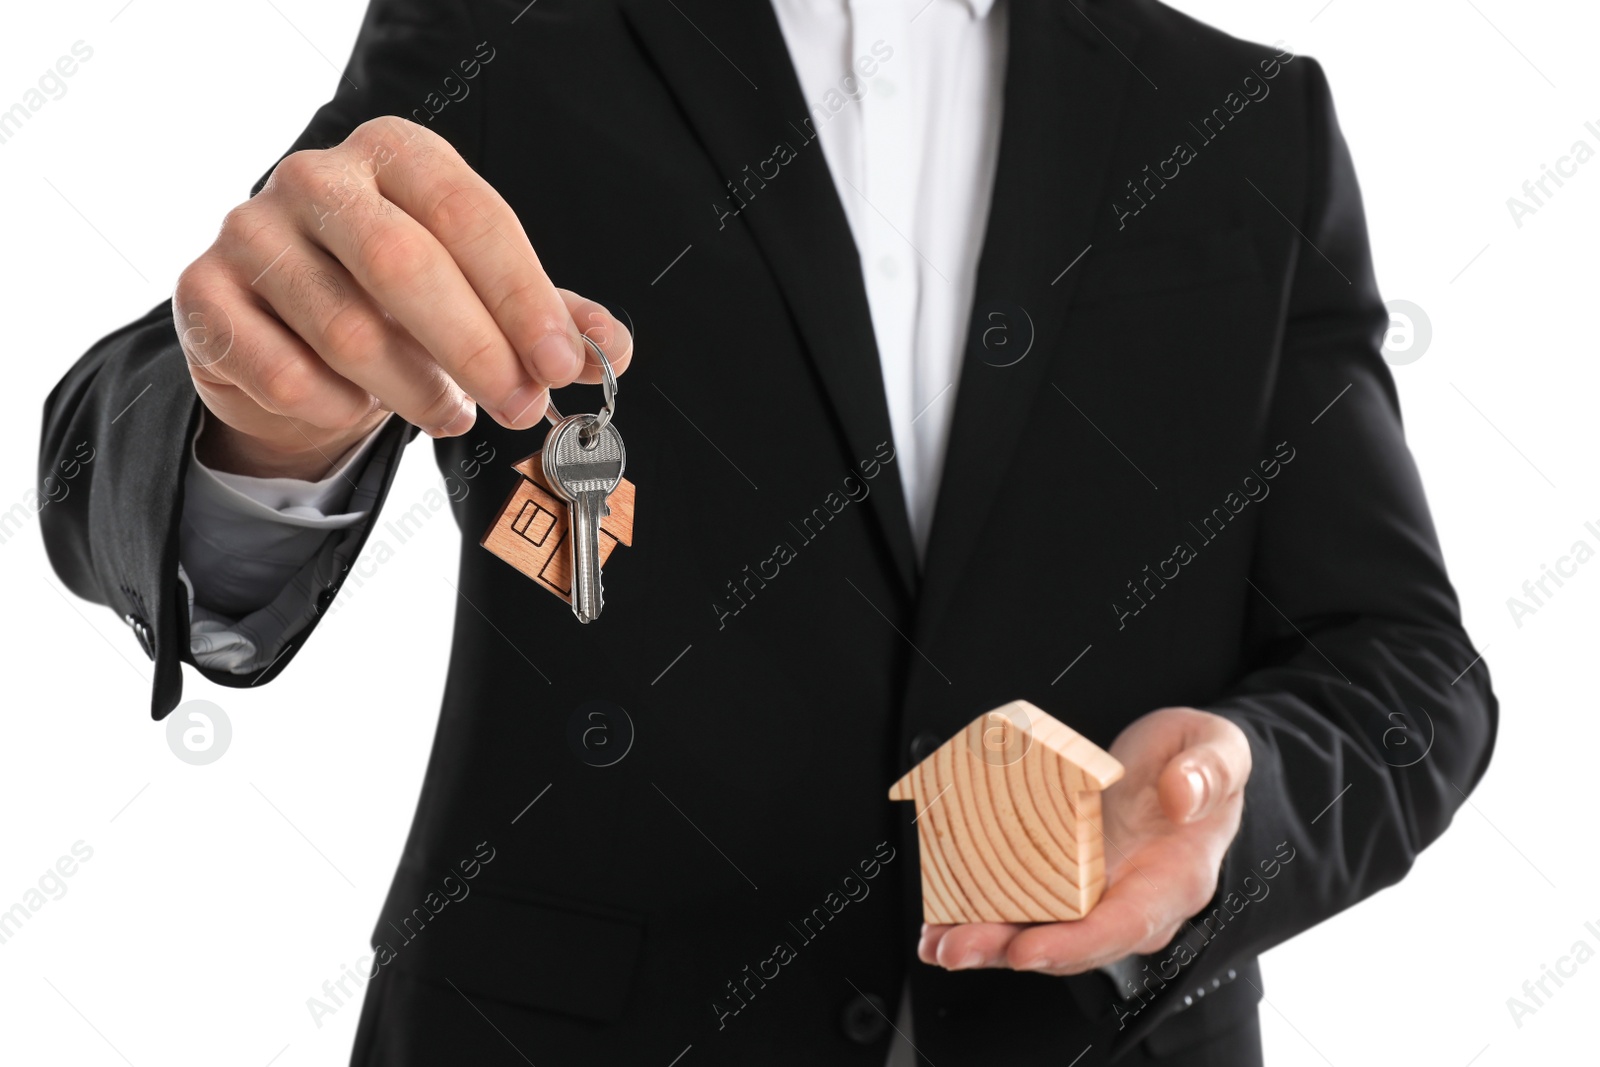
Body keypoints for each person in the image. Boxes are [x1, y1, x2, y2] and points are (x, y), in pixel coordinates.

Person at [39, 0, 1497, 1063]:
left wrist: (1233, 803)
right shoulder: (517, 29)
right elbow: (142, 419)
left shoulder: (1247, 121)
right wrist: (266, 428)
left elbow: (1407, 667)